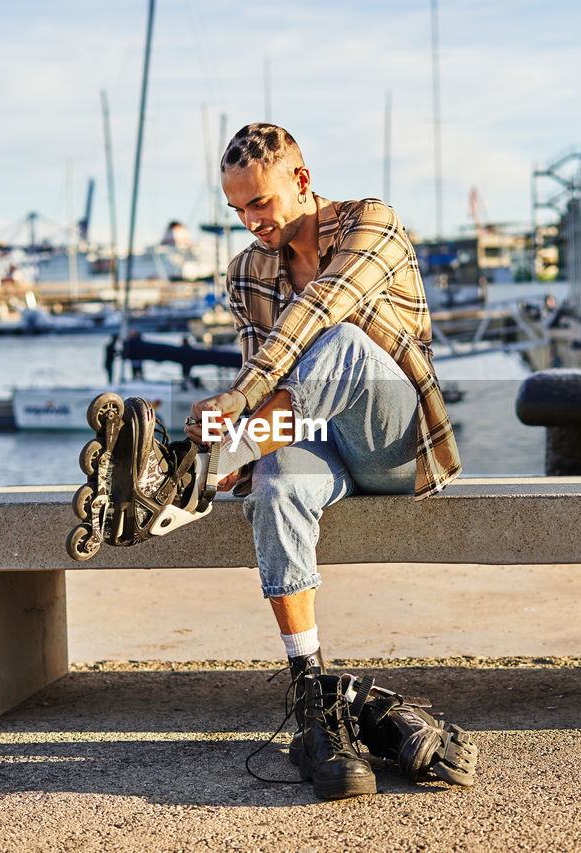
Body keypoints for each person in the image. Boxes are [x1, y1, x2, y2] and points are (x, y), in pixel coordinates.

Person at [184, 123, 472, 799]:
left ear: (302, 181)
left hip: (395, 441)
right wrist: (249, 454)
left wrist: (236, 413)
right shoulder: (245, 273)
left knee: (338, 341)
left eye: (260, 203)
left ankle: (198, 467)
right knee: (278, 484)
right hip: (317, 440)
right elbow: (269, 373)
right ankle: (313, 689)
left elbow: (316, 314)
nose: (251, 222)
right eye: (237, 210)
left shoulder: (373, 224)